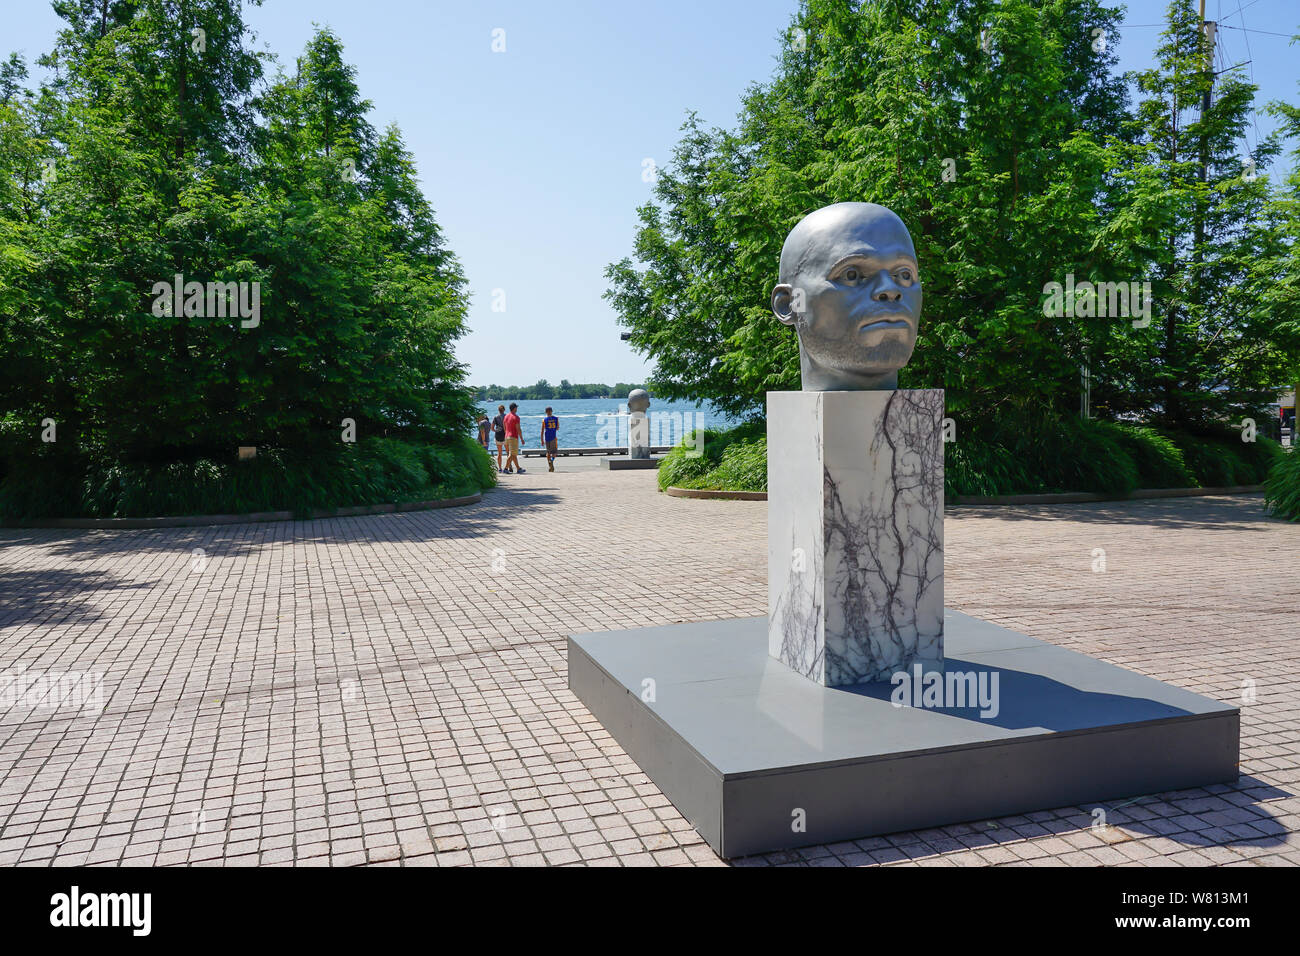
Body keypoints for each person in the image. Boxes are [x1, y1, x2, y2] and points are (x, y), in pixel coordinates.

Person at [503, 402, 526, 474]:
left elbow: (504, 426)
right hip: (513, 437)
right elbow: (518, 429)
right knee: (512, 454)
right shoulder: (516, 417)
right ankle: (506, 468)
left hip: (507, 436)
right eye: (516, 407)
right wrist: (522, 438)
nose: (517, 409)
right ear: (514, 408)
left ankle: (518, 468)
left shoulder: (506, 416)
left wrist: (506, 433)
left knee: (514, 454)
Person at [540, 406, 560, 471]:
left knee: (548, 453)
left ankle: (550, 466)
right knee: (554, 452)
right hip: (553, 437)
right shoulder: (556, 419)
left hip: (547, 438)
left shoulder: (544, 420)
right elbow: (557, 428)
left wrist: (542, 440)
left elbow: (542, 431)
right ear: (552, 411)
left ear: (546, 412)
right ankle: (551, 460)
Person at [491, 404, 509, 473]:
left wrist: (496, 430)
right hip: (505, 436)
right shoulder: (506, 416)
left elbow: (492, 428)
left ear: (498, 410)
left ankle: (500, 468)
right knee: (508, 452)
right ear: (504, 410)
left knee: (499, 453)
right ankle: (508, 467)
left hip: (498, 436)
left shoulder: (495, 417)